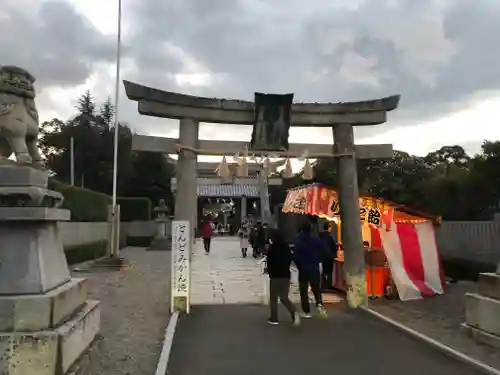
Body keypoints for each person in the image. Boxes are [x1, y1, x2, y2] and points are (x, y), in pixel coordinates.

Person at [293, 220, 328, 318]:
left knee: (303, 290)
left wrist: (299, 265)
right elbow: (325, 251)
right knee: (316, 288)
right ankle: (319, 304)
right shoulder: (316, 240)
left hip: (303, 268)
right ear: (310, 229)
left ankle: (306, 312)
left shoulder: (298, 240)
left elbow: (295, 256)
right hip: (314, 267)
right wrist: (318, 259)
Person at [265, 228, 301, 326]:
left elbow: (269, 262)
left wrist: (269, 272)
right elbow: (290, 259)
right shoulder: (286, 247)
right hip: (285, 275)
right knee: (284, 297)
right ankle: (294, 312)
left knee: (273, 298)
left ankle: (274, 318)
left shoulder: (272, 249)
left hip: (275, 276)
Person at [319, 223, 336, 289]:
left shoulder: (320, 235)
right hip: (328, 256)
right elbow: (333, 246)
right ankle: (327, 285)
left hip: (321, 256)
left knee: (322, 270)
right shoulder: (329, 236)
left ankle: (322, 284)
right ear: (329, 228)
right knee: (328, 271)